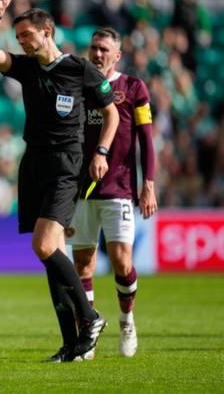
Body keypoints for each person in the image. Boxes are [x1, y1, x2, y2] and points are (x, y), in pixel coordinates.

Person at [0, 0, 120, 362]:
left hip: (66, 164)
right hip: (34, 163)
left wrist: (102, 151)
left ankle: (90, 318)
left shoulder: (79, 68)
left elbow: (112, 113)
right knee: (51, 253)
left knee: (43, 246)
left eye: (27, 35)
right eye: (19, 36)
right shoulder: (26, 69)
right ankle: (71, 344)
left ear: (48, 32)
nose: (22, 42)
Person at [69, 27, 157, 358]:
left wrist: (148, 183)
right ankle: (87, 336)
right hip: (82, 189)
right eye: (94, 48)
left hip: (119, 186)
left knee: (121, 261)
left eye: (105, 49)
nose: (98, 54)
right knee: (83, 266)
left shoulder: (134, 88)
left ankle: (127, 320)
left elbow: (146, 140)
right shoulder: (79, 86)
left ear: (116, 55)